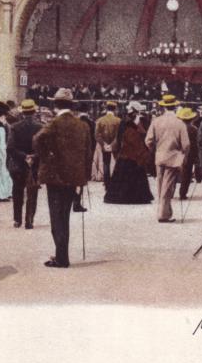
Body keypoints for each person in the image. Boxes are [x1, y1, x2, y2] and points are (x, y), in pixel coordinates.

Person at [34, 88, 92, 268]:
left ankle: (61, 258)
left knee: (56, 217)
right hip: (74, 176)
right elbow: (88, 153)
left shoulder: (54, 123)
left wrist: (46, 157)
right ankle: (61, 254)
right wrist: (84, 176)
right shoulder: (82, 125)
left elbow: (38, 139)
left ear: (55, 105)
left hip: (55, 176)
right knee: (64, 216)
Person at [145, 94, 190, 222]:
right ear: (175, 106)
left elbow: (148, 140)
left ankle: (164, 211)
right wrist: (183, 155)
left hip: (159, 156)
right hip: (173, 158)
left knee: (160, 185)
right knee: (167, 187)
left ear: (164, 107)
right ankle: (164, 214)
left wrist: (154, 149)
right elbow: (186, 144)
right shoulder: (180, 123)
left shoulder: (156, 121)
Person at [104, 101, 153, 204]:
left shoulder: (137, 121)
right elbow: (121, 137)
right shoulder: (127, 122)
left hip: (130, 153)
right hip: (129, 152)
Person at [6, 99, 43, 229]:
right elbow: (43, 148)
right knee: (32, 192)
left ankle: (17, 219)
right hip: (34, 164)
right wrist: (33, 156)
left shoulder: (14, 127)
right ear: (34, 112)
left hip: (18, 163)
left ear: (22, 112)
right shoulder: (41, 127)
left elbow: (10, 147)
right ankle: (29, 220)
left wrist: (24, 156)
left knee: (17, 191)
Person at [95, 101, 120, 189]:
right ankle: (116, 181)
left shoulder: (100, 120)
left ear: (106, 108)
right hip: (115, 145)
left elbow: (97, 135)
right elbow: (119, 135)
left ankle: (106, 182)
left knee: (106, 163)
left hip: (104, 145)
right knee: (117, 162)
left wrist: (104, 144)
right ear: (115, 109)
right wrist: (112, 145)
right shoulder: (118, 121)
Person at [176, 107, 198, 200]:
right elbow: (196, 143)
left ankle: (171, 192)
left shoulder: (177, 128)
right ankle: (183, 193)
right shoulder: (194, 129)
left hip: (177, 152)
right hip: (190, 154)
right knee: (187, 173)